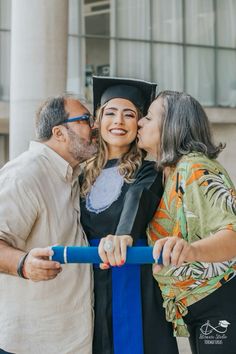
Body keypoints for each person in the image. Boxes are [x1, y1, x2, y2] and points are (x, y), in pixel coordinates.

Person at [80, 77, 179, 354]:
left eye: (129, 114)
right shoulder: (80, 174)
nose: (119, 121)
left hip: (134, 274)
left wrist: (122, 235)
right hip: (89, 277)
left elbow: (138, 199)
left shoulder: (148, 171)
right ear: (98, 121)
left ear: (139, 124)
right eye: (110, 113)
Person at [136, 91, 236, 354]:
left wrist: (191, 251)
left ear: (172, 126)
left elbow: (233, 234)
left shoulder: (194, 168)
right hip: (198, 305)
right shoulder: (170, 171)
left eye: (148, 117)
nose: (139, 123)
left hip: (219, 300)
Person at [0, 95, 97, 354]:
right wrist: (24, 265)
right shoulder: (25, 174)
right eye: (86, 120)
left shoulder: (71, 175)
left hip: (69, 340)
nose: (95, 127)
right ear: (59, 132)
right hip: (30, 344)